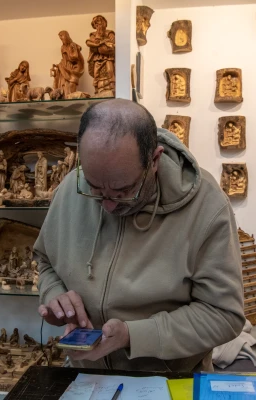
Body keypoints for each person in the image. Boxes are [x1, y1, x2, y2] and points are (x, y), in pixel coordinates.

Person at [35, 98, 245, 372]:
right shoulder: (69, 189)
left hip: (168, 381)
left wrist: (133, 336)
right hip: (86, 376)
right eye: (95, 188)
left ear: (154, 160)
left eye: (123, 191)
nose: (108, 204)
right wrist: (54, 294)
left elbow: (223, 315)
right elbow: (45, 261)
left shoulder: (207, 206)